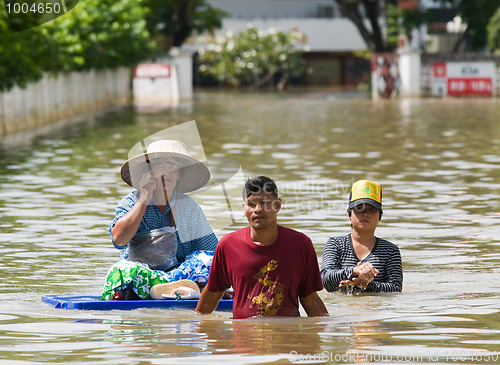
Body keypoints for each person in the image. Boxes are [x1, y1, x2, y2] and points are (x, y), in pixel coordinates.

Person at [195, 176, 329, 319]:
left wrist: (326, 328)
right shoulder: (228, 245)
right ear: (244, 208)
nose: (257, 209)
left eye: (265, 203)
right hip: (243, 335)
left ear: (277, 205)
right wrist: (196, 329)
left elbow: (310, 297)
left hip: (288, 336)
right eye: (251, 204)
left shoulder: (301, 245)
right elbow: (213, 292)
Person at [101, 140, 218, 300]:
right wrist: (144, 198)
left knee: (210, 260)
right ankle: (158, 289)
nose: (167, 172)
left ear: (179, 174)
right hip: (142, 278)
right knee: (121, 270)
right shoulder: (130, 202)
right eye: (160, 165)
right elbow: (119, 239)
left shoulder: (189, 207)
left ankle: (171, 289)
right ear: (149, 171)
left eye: (173, 166)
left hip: (179, 278)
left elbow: (212, 252)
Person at [321, 180, 403, 294]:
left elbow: (395, 288)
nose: (365, 214)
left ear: (380, 216)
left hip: (375, 310)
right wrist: (354, 271)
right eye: (360, 209)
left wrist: (366, 285)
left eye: (371, 209)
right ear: (349, 214)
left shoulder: (390, 250)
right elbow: (326, 279)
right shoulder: (335, 244)